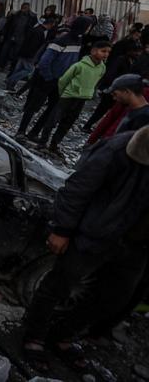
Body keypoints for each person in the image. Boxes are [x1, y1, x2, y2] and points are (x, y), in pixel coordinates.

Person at [22, 125, 149, 370]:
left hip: (136, 246)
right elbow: (77, 189)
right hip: (96, 236)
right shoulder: (115, 150)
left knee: (113, 298)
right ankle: (34, 336)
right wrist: (63, 229)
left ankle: (62, 335)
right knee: (58, 285)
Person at [17, 17, 91, 140]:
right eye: (88, 26)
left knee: (51, 109)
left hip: (60, 81)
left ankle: (34, 133)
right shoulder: (61, 41)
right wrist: (49, 77)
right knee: (33, 106)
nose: (89, 29)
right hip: (45, 79)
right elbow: (44, 61)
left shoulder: (78, 41)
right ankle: (21, 131)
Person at [28, 41, 110, 153]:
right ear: (93, 50)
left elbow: (96, 81)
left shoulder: (102, 68)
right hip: (68, 96)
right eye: (103, 51)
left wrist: (89, 93)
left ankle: (54, 144)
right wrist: (64, 93)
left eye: (108, 52)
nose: (106, 54)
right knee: (53, 120)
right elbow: (63, 80)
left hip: (82, 98)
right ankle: (43, 142)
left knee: (67, 123)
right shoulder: (79, 66)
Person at [83, 41, 141, 131]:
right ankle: (88, 125)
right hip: (112, 89)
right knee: (101, 110)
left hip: (121, 91)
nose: (137, 53)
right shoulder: (121, 60)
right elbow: (111, 74)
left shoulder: (134, 61)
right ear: (129, 51)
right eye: (135, 51)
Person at [88, 74, 149, 144]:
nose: (114, 98)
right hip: (111, 142)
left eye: (115, 94)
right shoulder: (130, 97)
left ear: (127, 92)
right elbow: (110, 116)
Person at [6, 16, 58, 91]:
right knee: (28, 70)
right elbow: (34, 45)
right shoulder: (40, 32)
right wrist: (32, 56)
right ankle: (11, 80)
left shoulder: (36, 29)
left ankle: (10, 84)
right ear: (49, 24)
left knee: (19, 69)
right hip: (29, 54)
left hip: (23, 52)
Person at [0, 2, 38, 70]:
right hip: (11, 35)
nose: (24, 9)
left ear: (29, 8)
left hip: (21, 38)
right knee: (4, 51)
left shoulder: (32, 17)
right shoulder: (15, 14)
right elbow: (7, 25)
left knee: (15, 54)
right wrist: (3, 34)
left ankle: (11, 67)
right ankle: (1, 66)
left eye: (26, 8)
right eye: (23, 7)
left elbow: (32, 28)